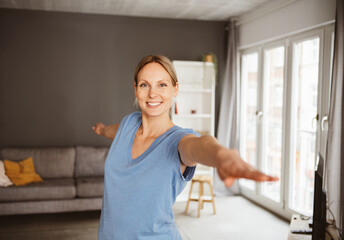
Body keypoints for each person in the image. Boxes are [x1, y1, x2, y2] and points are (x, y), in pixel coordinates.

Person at [93, 55, 278, 239]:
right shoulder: (129, 123)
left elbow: (200, 145)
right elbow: (112, 131)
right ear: (135, 89)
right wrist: (101, 130)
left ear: (175, 89)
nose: (152, 93)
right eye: (144, 85)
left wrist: (222, 156)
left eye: (162, 85)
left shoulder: (178, 140)